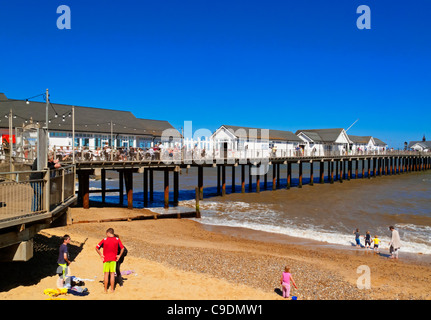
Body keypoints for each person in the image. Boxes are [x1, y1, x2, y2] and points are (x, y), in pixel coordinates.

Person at [96, 228, 125, 293]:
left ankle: (105, 289)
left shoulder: (104, 239)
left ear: (108, 233)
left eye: (106, 234)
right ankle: (112, 289)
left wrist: (101, 254)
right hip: (113, 259)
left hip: (106, 259)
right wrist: (119, 255)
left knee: (106, 274)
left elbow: (97, 247)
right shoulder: (117, 239)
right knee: (112, 274)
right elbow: (122, 248)